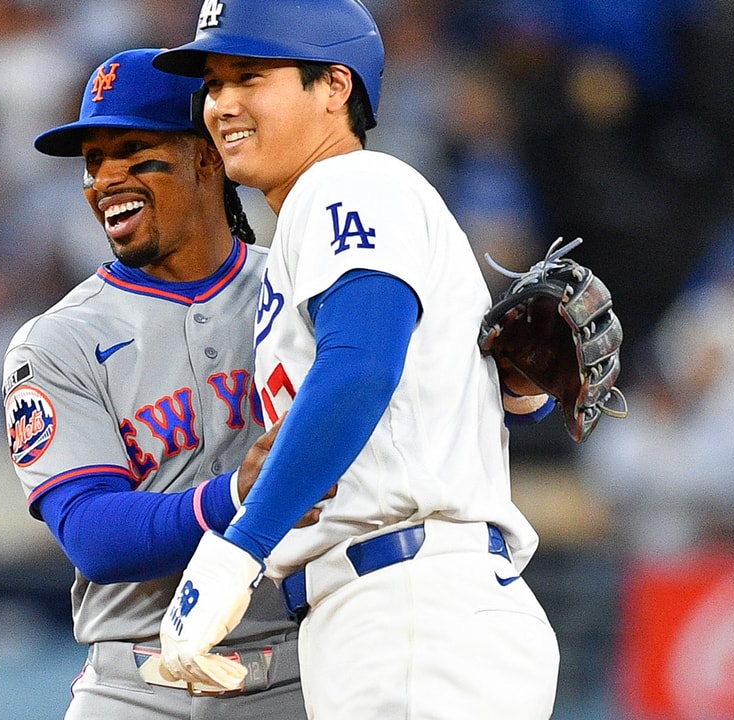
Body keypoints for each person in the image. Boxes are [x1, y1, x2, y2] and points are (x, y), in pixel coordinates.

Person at [151, 2, 560, 718]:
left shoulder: (352, 184)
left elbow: (362, 367)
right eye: (212, 84)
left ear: (335, 88)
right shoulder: (307, 228)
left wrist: (237, 550)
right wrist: (526, 390)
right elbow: (487, 395)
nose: (222, 104)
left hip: (412, 605)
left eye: (250, 75)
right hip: (394, 614)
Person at [2, 48, 309, 719]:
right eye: (93, 160)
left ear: (207, 157)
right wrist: (233, 496)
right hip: (137, 686)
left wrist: (519, 389)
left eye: (133, 149)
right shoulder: (57, 340)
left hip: (300, 674)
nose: (105, 178)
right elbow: (90, 533)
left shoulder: (300, 286)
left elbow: (407, 405)